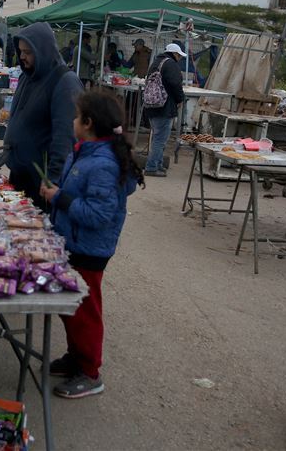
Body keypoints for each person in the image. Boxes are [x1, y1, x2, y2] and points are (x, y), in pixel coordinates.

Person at [40, 89, 144, 399]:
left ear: (87, 122)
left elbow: (99, 214)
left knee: (85, 311)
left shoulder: (103, 163)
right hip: (73, 241)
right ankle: (77, 357)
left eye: (76, 116)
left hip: (88, 248)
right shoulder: (86, 150)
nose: (72, 120)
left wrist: (60, 197)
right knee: (72, 306)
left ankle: (90, 372)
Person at [3, 22, 83, 210]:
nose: (22, 56)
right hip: (19, 176)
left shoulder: (65, 82)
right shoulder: (27, 76)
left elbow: (65, 137)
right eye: (20, 51)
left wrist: (52, 179)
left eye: (28, 52)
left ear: (43, 50)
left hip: (40, 183)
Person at [143, 43, 186, 177]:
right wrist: (180, 99)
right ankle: (151, 167)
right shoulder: (170, 64)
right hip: (164, 107)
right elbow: (175, 84)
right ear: (175, 54)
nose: (180, 58)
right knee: (160, 139)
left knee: (158, 137)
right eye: (179, 56)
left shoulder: (156, 62)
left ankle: (159, 164)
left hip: (152, 105)